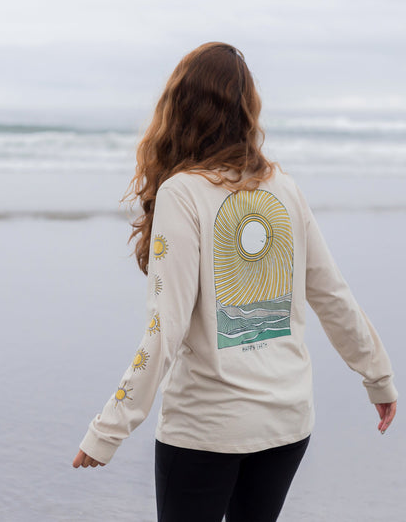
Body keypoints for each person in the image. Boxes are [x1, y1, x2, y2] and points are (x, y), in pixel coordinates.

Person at [72, 42, 398, 521]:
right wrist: (378, 377)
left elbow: (164, 330)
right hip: (286, 423)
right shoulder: (284, 188)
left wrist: (109, 428)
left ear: (178, 107)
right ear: (247, 110)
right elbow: (332, 294)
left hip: (208, 429)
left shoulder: (182, 192)